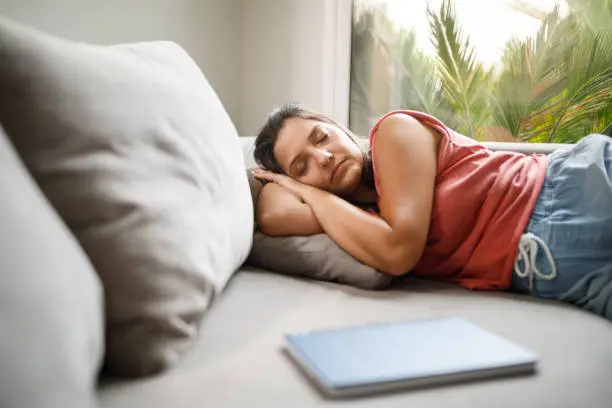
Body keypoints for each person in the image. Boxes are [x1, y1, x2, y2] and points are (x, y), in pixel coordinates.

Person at [251, 103, 612, 321]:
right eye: (301, 167)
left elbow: (398, 250)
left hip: (573, 191)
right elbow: (270, 216)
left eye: (320, 137)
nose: (324, 156)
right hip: (552, 270)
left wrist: (306, 189)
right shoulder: (359, 218)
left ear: (340, 128)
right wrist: (301, 191)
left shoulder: (393, 132)